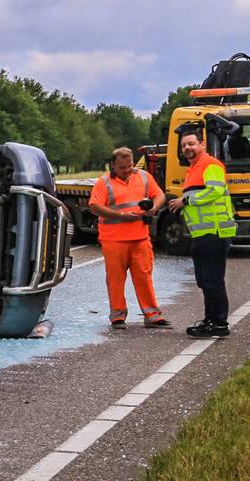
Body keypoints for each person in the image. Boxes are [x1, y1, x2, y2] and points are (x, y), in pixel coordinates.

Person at [87, 147, 169, 328]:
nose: (127, 170)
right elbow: (94, 206)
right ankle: (117, 316)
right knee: (116, 279)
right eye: (123, 167)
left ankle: (152, 315)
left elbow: (160, 195)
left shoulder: (144, 177)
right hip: (113, 240)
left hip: (140, 238)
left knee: (144, 277)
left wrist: (153, 208)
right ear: (113, 166)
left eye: (130, 165)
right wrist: (122, 216)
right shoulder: (104, 183)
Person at [168, 125, 236, 337]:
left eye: (191, 144)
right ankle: (211, 320)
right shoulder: (194, 169)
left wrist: (185, 200)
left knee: (212, 279)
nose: (187, 148)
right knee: (205, 279)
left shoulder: (210, 165)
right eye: (184, 145)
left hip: (214, 232)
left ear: (202, 145)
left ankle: (218, 323)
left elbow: (215, 192)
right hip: (203, 233)